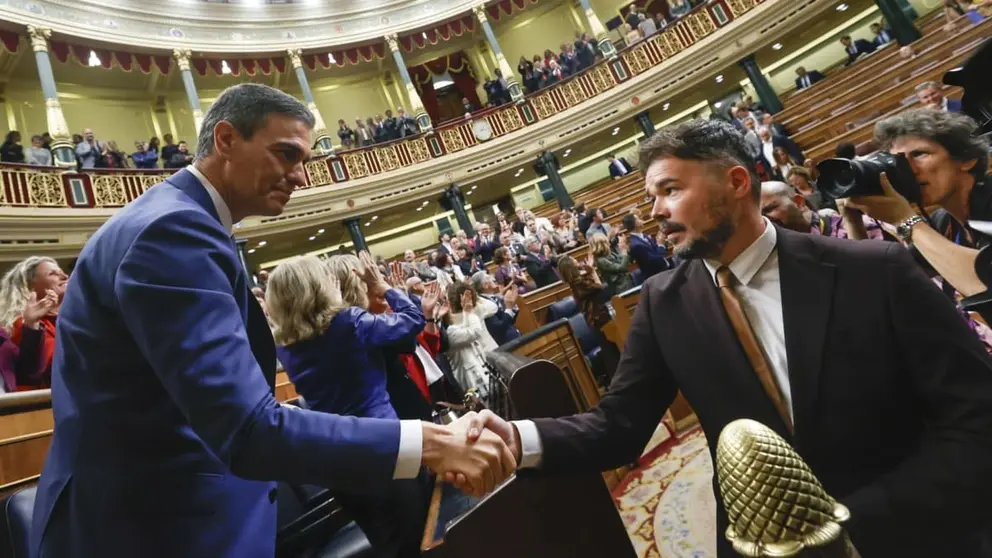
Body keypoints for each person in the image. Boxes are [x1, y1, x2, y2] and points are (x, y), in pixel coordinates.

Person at [461, 118, 992, 558]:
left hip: (911, 535)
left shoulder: (874, 269)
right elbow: (619, 426)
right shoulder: (662, 302)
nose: (655, 212)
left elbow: (975, 417)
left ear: (738, 183)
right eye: (652, 196)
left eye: (670, 189)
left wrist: (855, 521)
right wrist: (517, 439)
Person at [31, 83, 514, 558]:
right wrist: (431, 442)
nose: (300, 175)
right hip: (151, 529)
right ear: (225, 140)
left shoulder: (173, 220)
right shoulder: (172, 230)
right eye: (285, 154)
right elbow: (246, 429)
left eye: (303, 160)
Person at [267, 253, 427, 557]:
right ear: (317, 285)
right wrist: (384, 288)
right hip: (388, 446)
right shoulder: (349, 322)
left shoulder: (284, 344)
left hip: (338, 460)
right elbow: (413, 320)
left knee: (387, 545)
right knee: (420, 537)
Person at [846, 109, 992, 300]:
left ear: (967, 160)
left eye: (919, 154)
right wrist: (853, 221)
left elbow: (982, 283)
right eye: (898, 160)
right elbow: (885, 284)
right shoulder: (942, 222)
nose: (908, 169)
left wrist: (906, 220)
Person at [0, 256, 66, 390]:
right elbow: (32, 372)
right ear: (30, 287)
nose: (65, 276)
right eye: (53, 273)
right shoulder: (19, 324)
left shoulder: (73, 319)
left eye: (62, 272)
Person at [471, 271, 521, 346]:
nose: (494, 279)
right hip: (506, 344)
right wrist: (509, 308)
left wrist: (512, 305)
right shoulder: (483, 304)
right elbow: (498, 328)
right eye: (489, 278)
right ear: (485, 285)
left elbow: (511, 320)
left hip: (514, 336)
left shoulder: (496, 297)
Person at [621, 214, 670, 279]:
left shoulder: (643, 235)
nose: (642, 220)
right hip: (658, 276)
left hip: (665, 270)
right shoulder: (635, 245)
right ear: (635, 224)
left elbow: (656, 251)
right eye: (638, 218)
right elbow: (656, 261)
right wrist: (661, 244)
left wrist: (662, 241)